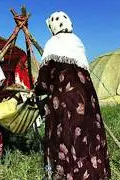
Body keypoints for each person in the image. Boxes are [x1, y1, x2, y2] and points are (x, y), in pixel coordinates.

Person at [34, 11, 111, 179]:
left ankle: (66, 174)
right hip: (86, 98)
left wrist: (37, 90)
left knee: (64, 135)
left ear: (53, 27)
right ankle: (91, 173)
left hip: (63, 99)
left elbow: (44, 81)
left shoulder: (52, 44)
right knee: (87, 134)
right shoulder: (77, 42)